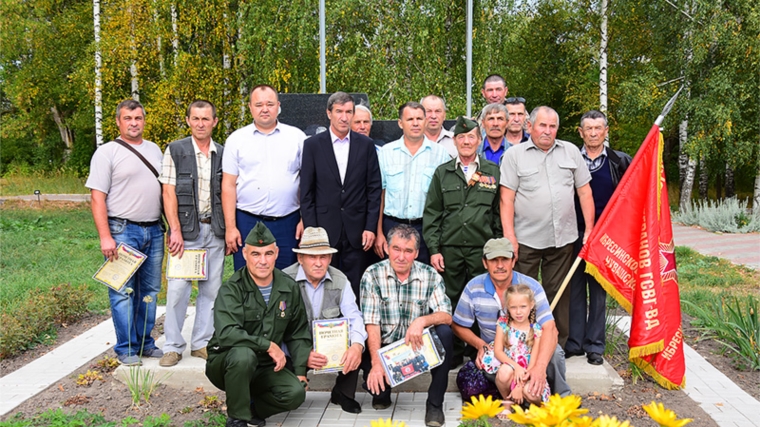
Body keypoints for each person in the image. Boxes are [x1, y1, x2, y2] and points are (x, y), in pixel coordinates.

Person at [499, 106, 594, 347]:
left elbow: (584, 193)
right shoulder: (514, 156)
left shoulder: (571, 152)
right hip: (526, 239)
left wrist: (590, 229)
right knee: (521, 296)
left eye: (552, 126)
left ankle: (554, 347)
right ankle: (521, 345)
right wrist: (510, 236)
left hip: (563, 238)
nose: (547, 131)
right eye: (542, 125)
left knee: (558, 294)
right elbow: (506, 199)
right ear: (530, 126)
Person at [205, 222, 311, 427]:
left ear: (277, 253)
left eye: (268, 253)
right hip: (227, 364)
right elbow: (227, 334)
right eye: (256, 254)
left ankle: (251, 410)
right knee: (243, 355)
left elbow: (297, 332)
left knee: (295, 394)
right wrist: (268, 345)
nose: (263, 261)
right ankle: (237, 419)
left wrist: (300, 371)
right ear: (244, 254)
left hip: (264, 367)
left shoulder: (288, 287)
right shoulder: (232, 289)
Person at [85, 99, 164, 366]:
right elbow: (97, 198)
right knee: (122, 291)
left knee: (150, 290)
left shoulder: (155, 150)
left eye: (138, 118)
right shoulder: (106, 153)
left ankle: (145, 342)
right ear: (118, 121)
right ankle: (126, 347)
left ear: (144, 120)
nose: (134, 123)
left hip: (153, 229)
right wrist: (105, 236)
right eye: (128, 118)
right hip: (122, 230)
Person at [423, 116, 501, 365]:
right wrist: (434, 249)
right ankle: (454, 351)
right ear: (454, 141)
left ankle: (479, 348)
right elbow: (433, 214)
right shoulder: (443, 173)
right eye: (461, 137)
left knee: (484, 300)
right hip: (451, 250)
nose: (466, 141)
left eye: (471, 137)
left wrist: (498, 251)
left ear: (479, 140)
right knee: (453, 299)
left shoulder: (492, 171)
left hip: (482, 250)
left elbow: (499, 214)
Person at [452, 238, 571, 399]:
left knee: (555, 352)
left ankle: (562, 398)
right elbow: (458, 325)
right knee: (474, 384)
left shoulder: (531, 287)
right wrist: (480, 345)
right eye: (494, 260)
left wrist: (539, 367)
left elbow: (550, 328)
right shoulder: (473, 287)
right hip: (498, 350)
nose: (500, 265)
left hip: (529, 349)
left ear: (514, 261)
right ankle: (516, 395)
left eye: (505, 259)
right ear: (485, 263)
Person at [360, 224, 454, 427]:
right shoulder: (372, 274)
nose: (401, 257)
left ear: (416, 253)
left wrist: (421, 321)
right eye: (396, 249)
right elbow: (371, 322)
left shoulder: (430, 275)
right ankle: (381, 391)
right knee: (379, 392)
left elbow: (446, 315)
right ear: (387, 248)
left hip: (415, 347)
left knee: (445, 333)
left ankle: (435, 404)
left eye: (408, 251)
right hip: (384, 348)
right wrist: (377, 364)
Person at [157, 100, 225, 367]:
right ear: (188, 121)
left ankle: (202, 343)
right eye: (195, 119)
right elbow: (168, 192)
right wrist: (175, 230)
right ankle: (172, 346)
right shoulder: (176, 150)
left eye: (206, 119)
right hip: (186, 232)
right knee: (177, 290)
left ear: (214, 122)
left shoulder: (223, 152)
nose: (200, 124)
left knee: (211, 290)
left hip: (215, 230)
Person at [300, 92, 382, 301]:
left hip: (358, 232)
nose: (344, 117)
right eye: (339, 112)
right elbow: (307, 193)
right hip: (324, 230)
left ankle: (353, 330)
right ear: (329, 113)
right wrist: (312, 232)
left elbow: (374, 189)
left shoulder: (365, 145)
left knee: (354, 286)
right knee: (323, 284)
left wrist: (370, 227)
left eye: (348, 112)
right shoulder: (313, 146)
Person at [566, 110, 631, 365]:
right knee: (575, 288)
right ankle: (574, 343)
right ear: (580, 133)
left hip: (605, 238)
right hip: (574, 234)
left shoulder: (619, 161)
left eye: (598, 128)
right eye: (588, 129)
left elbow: (630, 199)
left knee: (598, 292)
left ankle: (595, 346)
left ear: (606, 131)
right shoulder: (571, 159)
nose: (593, 133)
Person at [282, 227, 367, 414]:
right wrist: (302, 354)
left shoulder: (340, 279)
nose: (319, 263)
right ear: (300, 259)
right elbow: (276, 330)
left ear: (330, 259)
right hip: (294, 349)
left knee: (356, 343)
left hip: (329, 349)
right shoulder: (283, 281)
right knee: (283, 383)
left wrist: (357, 346)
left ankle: (343, 394)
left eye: (323, 257)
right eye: (312, 257)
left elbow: (354, 316)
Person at [222, 84, 306, 271]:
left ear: (278, 105)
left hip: (288, 223)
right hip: (247, 222)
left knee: (287, 280)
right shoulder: (236, 140)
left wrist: (304, 219)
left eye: (270, 104)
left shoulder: (297, 138)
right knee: (248, 281)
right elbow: (228, 185)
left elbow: (308, 182)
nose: (265, 109)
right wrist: (231, 227)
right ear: (250, 107)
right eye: (259, 104)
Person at [374, 102, 450, 265]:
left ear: (425, 121)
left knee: (422, 278)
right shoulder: (386, 153)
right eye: (410, 119)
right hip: (392, 225)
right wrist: (379, 232)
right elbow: (380, 194)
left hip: (425, 228)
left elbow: (446, 198)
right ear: (400, 123)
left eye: (419, 119)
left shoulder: (440, 154)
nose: (415, 123)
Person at [486, 285, 551, 415]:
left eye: (523, 306)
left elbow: (532, 364)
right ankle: (508, 403)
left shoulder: (536, 330)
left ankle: (535, 409)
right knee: (504, 371)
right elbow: (498, 351)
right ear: (507, 307)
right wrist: (516, 367)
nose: (518, 312)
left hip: (528, 373)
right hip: (511, 368)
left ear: (531, 305)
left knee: (530, 392)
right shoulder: (503, 324)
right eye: (513, 307)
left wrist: (520, 386)